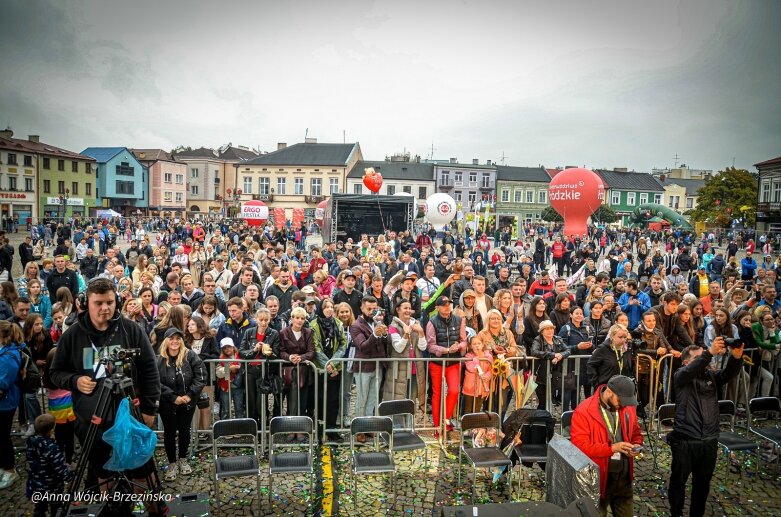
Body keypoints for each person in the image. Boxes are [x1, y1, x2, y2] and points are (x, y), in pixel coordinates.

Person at [49, 278, 162, 515]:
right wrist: (74, 381)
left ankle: (153, 509)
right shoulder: (72, 336)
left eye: (110, 302)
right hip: (92, 421)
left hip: (130, 418)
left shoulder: (131, 329)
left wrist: (150, 410)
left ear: (117, 302)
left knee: (142, 470)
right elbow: (55, 372)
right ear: (85, 303)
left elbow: (151, 371)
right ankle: (112, 509)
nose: (105, 308)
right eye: (98, 303)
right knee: (102, 472)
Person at [667, 338, 744, 517]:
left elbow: (728, 374)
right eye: (699, 357)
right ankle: (676, 513)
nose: (705, 360)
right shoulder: (680, 375)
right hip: (685, 439)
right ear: (687, 362)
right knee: (678, 482)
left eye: (704, 357)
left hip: (709, 440)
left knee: (702, 485)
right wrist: (709, 353)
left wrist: (736, 357)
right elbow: (689, 371)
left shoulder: (710, 376)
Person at [570, 375, 643, 517]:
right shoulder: (584, 411)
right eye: (620, 400)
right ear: (609, 392)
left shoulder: (627, 407)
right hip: (599, 481)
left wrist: (636, 445)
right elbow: (579, 446)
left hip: (624, 480)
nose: (623, 404)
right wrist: (611, 449)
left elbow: (636, 432)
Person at [157, 327, 205, 481]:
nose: (175, 341)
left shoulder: (190, 355)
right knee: (169, 433)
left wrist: (190, 395)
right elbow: (155, 381)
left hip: (187, 402)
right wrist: (172, 397)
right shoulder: (159, 360)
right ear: (166, 341)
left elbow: (201, 375)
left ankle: (183, 459)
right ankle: (172, 463)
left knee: (185, 430)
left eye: (178, 338)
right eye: (171, 338)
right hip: (167, 403)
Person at [349, 296, 390, 441]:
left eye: (374, 309)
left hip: (378, 365)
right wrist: (375, 334)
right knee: (362, 399)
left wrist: (384, 334)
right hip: (363, 366)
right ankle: (359, 429)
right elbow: (363, 346)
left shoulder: (377, 321)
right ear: (362, 308)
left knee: (372, 399)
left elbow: (385, 342)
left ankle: (367, 427)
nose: (372, 312)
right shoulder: (355, 325)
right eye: (369, 309)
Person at [425, 296, 466, 436]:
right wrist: (446, 350)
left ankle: (446, 420)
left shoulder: (459, 320)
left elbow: (464, 341)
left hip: (453, 362)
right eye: (444, 305)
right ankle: (437, 426)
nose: (447, 307)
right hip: (437, 362)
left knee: (454, 390)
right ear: (437, 307)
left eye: (449, 304)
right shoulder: (432, 322)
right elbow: (430, 346)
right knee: (437, 394)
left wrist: (458, 346)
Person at [311, 298, 348, 441]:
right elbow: (316, 348)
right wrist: (328, 365)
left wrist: (334, 363)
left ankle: (331, 429)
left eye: (331, 307)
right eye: (326, 307)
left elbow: (343, 344)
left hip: (335, 368)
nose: (329, 309)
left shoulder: (338, 324)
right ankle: (320, 429)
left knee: (333, 399)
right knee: (320, 399)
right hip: (320, 368)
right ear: (321, 308)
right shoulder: (314, 325)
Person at [25, 413, 74, 517]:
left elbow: (30, 461)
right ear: (51, 430)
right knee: (56, 507)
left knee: (39, 507)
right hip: (53, 487)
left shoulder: (30, 443)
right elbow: (59, 467)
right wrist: (70, 476)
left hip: (37, 485)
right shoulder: (51, 448)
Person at [279, 307, 316, 425]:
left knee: (303, 398)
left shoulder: (308, 332)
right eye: (297, 318)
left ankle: (301, 426)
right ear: (292, 319)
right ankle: (291, 426)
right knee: (291, 399)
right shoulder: (284, 332)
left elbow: (311, 351)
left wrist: (302, 358)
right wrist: (290, 357)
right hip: (289, 371)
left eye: (302, 318)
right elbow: (281, 351)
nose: (300, 321)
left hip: (304, 371)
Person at [0, 320, 25, 489]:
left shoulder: (9, 356)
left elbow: (2, 383)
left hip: (5, 403)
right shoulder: (6, 352)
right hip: (5, 402)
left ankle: (10, 470)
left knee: (2, 437)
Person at [531, 319, 570, 410]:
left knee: (550, 399)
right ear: (542, 332)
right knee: (543, 401)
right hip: (540, 375)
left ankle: (546, 418)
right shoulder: (538, 340)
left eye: (551, 328)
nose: (550, 330)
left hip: (554, 374)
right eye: (547, 329)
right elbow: (534, 352)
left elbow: (568, 350)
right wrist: (552, 355)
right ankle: (541, 420)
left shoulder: (558, 339)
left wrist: (560, 356)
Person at [215, 337, 245, 420]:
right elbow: (218, 373)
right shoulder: (220, 359)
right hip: (225, 387)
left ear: (233, 347)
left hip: (238, 386)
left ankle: (240, 426)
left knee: (239, 408)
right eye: (224, 348)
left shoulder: (240, 357)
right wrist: (229, 368)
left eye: (229, 347)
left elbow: (244, 368)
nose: (227, 349)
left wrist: (238, 368)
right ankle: (225, 427)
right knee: (225, 409)